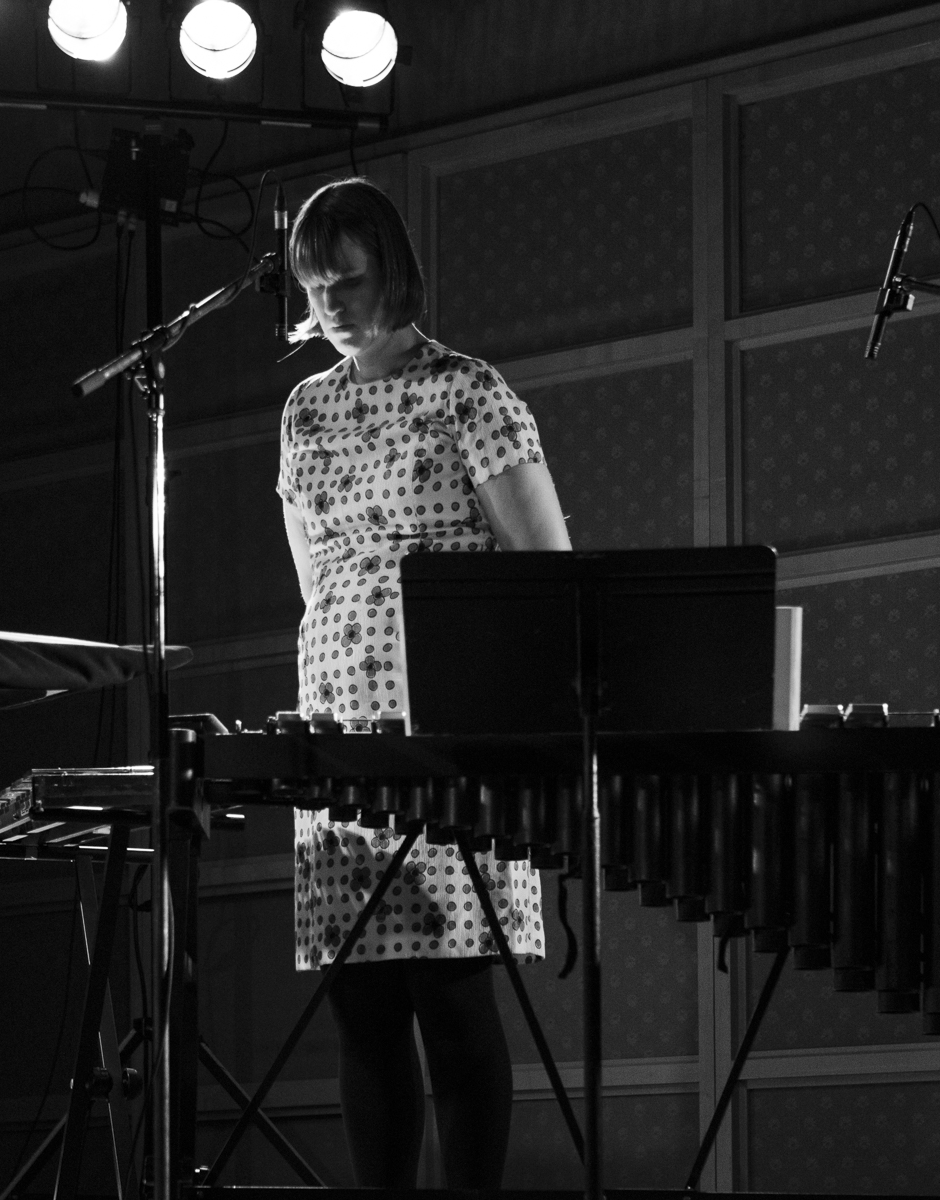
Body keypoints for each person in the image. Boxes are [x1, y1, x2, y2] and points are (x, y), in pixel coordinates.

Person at [276, 177, 571, 1189]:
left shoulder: (469, 392)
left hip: (448, 729)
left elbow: (545, 568)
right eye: (315, 288)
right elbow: (320, 580)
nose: (332, 306)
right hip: (341, 729)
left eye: (349, 282)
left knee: (449, 997)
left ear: (392, 270)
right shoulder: (304, 413)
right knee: (363, 1007)